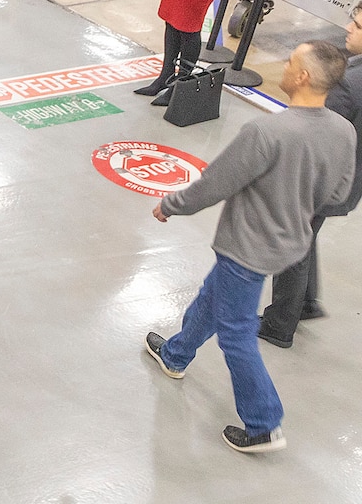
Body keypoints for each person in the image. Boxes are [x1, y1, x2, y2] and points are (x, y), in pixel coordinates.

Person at [145, 42, 356, 453]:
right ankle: (176, 354)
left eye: (292, 62)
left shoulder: (267, 132)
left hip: (247, 247)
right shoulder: (342, 131)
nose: (285, 65)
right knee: (215, 294)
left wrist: (171, 205)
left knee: (236, 332)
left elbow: (216, 184)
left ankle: (263, 422)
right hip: (291, 242)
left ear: (304, 78)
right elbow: (340, 193)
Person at [262, 2, 362, 346]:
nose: (350, 28)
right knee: (306, 236)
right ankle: (304, 303)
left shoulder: (349, 82)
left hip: (324, 179)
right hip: (350, 181)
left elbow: (320, 135)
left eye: (359, 26)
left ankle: (279, 325)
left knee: (294, 242)